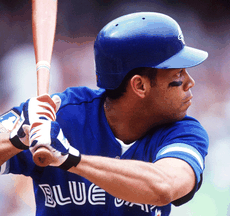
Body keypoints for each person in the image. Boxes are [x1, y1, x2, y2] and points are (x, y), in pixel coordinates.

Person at [0, 12, 209, 216]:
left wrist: (71, 159)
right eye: (178, 74)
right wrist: (18, 137)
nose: (190, 82)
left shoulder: (184, 132)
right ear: (140, 85)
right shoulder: (61, 112)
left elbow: (164, 187)